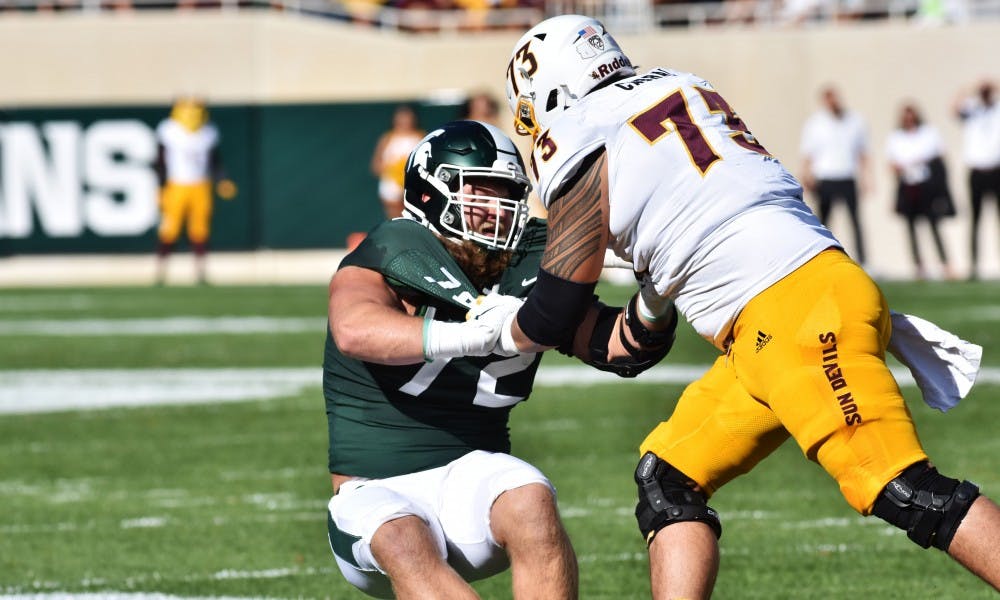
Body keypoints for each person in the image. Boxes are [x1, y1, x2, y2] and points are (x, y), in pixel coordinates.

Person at [493, 15, 1000, 598]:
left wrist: (488, 326)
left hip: (793, 313)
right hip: (777, 317)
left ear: (549, 91)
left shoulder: (580, 129)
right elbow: (642, 332)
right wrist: (653, 295)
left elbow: (557, 305)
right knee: (669, 477)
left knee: (902, 488)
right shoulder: (677, 84)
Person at [324, 120, 578, 599]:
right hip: (372, 490)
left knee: (531, 500)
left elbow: (608, 341)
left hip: (473, 478)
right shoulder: (389, 254)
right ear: (430, 194)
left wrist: (649, 310)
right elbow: (354, 329)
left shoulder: (525, 262)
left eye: (506, 193)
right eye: (479, 192)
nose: (496, 208)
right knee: (402, 537)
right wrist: (474, 332)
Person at [154, 96, 236, 285]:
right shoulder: (169, 130)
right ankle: (161, 272)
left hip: (201, 185)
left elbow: (214, 160)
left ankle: (200, 272)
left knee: (200, 230)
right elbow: (160, 161)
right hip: (176, 185)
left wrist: (221, 179)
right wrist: (160, 187)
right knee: (169, 230)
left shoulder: (208, 132)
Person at [800, 85, 869, 267]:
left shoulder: (854, 120)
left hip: (847, 176)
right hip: (825, 177)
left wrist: (866, 177)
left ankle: (863, 260)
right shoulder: (815, 123)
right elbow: (808, 153)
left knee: (855, 220)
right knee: (823, 222)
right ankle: (820, 259)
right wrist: (806, 175)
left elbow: (862, 152)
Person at [886, 102, 957, 280]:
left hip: (927, 185)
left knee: (934, 225)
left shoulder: (928, 133)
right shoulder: (896, 137)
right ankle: (919, 266)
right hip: (908, 185)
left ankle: (945, 264)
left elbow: (939, 156)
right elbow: (893, 164)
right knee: (911, 228)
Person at [953, 80, 1000, 280]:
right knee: (975, 219)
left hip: (997, 170)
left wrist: (994, 85)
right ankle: (973, 265)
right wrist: (973, 88)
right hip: (976, 172)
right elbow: (955, 107)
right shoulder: (972, 109)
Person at [370, 104, 425, 219]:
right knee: (395, 220)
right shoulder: (387, 139)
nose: (404, 121)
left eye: (407, 117)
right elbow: (376, 166)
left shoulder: (421, 137)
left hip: (414, 188)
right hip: (392, 189)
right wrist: (393, 171)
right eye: (401, 117)